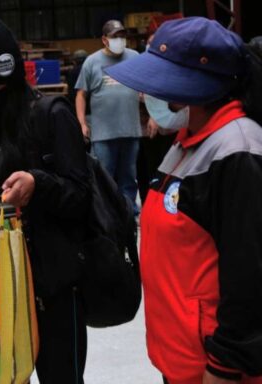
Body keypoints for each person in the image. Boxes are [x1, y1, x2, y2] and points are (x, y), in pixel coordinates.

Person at [105, 17, 262, 384]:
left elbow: (250, 274)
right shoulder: (190, 137)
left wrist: (224, 365)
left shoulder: (239, 150)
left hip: (215, 369)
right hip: (180, 358)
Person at [0, 12, 90, 383]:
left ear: (10, 82)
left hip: (50, 288)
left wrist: (38, 183)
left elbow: (81, 196)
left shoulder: (49, 116)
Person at [75, 19, 142, 215]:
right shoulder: (92, 62)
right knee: (105, 177)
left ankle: (129, 215)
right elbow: (81, 94)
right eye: (115, 37)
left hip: (131, 130)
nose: (120, 40)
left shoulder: (135, 57)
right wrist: (81, 123)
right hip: (103, 134)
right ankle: (107, 216)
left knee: (129, 177)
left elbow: (147, 87)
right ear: (104, 40)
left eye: (122, 36)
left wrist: (154, 115)